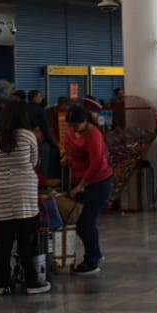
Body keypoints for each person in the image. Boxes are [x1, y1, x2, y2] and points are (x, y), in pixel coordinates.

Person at [0, 101, 49, 295]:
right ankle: (31, 283)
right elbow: (34, 161)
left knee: (4, 240)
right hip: (24, 193)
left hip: (1, 191)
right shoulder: (28, 136)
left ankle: (4, 283)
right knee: (24, 240)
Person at [62, 105, 112, 274]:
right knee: (81, 221)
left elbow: (96, 164)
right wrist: (67, 158)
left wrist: (81, 186)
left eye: (77, 125)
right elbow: (71, 150)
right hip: (78, 180)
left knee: (85, 222)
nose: (73, 128)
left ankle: (92, 261)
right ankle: (95, 252)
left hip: (98, 183)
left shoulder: (94, 135)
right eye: (71, 125)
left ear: (85, 121)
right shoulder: (71, 131)